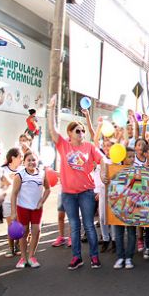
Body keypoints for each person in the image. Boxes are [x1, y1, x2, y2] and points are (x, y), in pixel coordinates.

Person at [47, 94, 106, 270]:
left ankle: (94, 257)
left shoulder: (89, 147)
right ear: (69, 134)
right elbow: (52, 130)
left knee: (88, 225)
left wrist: (103, 172)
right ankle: (77, 257)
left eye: (82, 131)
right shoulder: (63, 145)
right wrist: (51, 109)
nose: (81, 133)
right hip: (68, 194)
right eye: (77, 131)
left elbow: (103, 159)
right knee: (73, 225)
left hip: (86, 192)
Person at [10, 151, 50, 268]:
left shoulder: (42, 173)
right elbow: (14, 194)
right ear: (24, 162)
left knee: (36, 231)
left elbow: (48, 189)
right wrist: (13, 212)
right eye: (29, 160)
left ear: (37, 161)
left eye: (34, 160)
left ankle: (31, 255)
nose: (32, 162)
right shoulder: (20, 175)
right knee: (23, 232)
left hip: (37, 208)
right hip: (22, 208)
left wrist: (41, 201)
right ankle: (23, 257)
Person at [113, 147, 137, 269]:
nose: (132, 159)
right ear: (123, 158)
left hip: (132, 207)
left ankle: (129, 258)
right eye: (129, 156)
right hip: (118, 206)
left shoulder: (138, 171)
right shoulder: (115, 169)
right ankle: (120, 257)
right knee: (119, 233)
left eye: (134, 156)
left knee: (132, 233)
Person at [1, 148, 23, 258]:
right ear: (13, 158)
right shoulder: (3, 169)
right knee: (11, 225)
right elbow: (0, 184)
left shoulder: (23, 169)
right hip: (7, 201)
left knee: (19, 224)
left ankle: (18, 245)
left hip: (20, 201)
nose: (22, 159)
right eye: (20, 157)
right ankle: (10, 248)